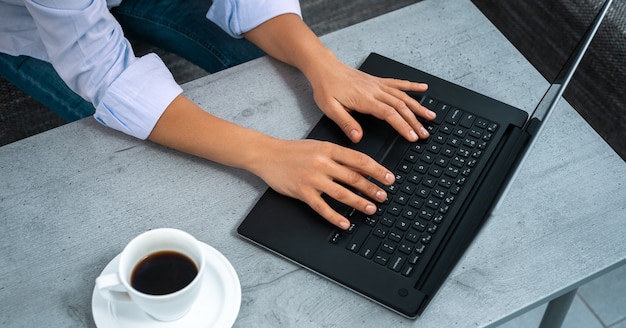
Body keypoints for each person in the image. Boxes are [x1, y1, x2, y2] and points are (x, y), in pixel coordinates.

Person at [0, 0, 436, 230]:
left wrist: (323, 65)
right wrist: (264, 153)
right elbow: (107, 77)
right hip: (28, 26)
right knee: (139, 155)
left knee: (285, 94)